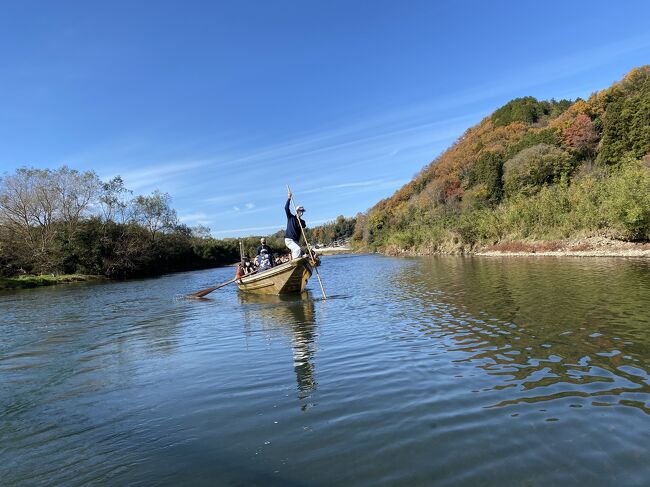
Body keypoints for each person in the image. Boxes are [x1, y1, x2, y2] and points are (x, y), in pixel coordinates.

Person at [285, 190, 306, 259]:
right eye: (300, 211)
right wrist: (289, 198)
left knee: (302, 251)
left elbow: (303, 226)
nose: (302, 213)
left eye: (302, 212)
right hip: (289, 240)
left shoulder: (302, 221)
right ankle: (295, 263)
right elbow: (286, 208)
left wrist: (300, 221)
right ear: (297, 211)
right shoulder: (291, 217)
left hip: (296, 241)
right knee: (297, 249)